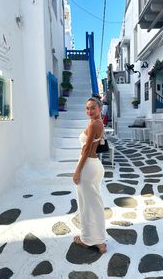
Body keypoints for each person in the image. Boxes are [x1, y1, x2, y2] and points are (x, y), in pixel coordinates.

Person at [73, 97, 107, 254]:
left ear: (99, 108)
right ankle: (99, 241)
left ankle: (88, 240)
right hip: (95, 166)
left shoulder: (94, 124)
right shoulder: (99, 122)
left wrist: (77, 171)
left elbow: (86, 149)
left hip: (87, 167)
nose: (89, 111)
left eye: (93, 108)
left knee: (87, 206)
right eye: (87, 108)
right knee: (95, 204)